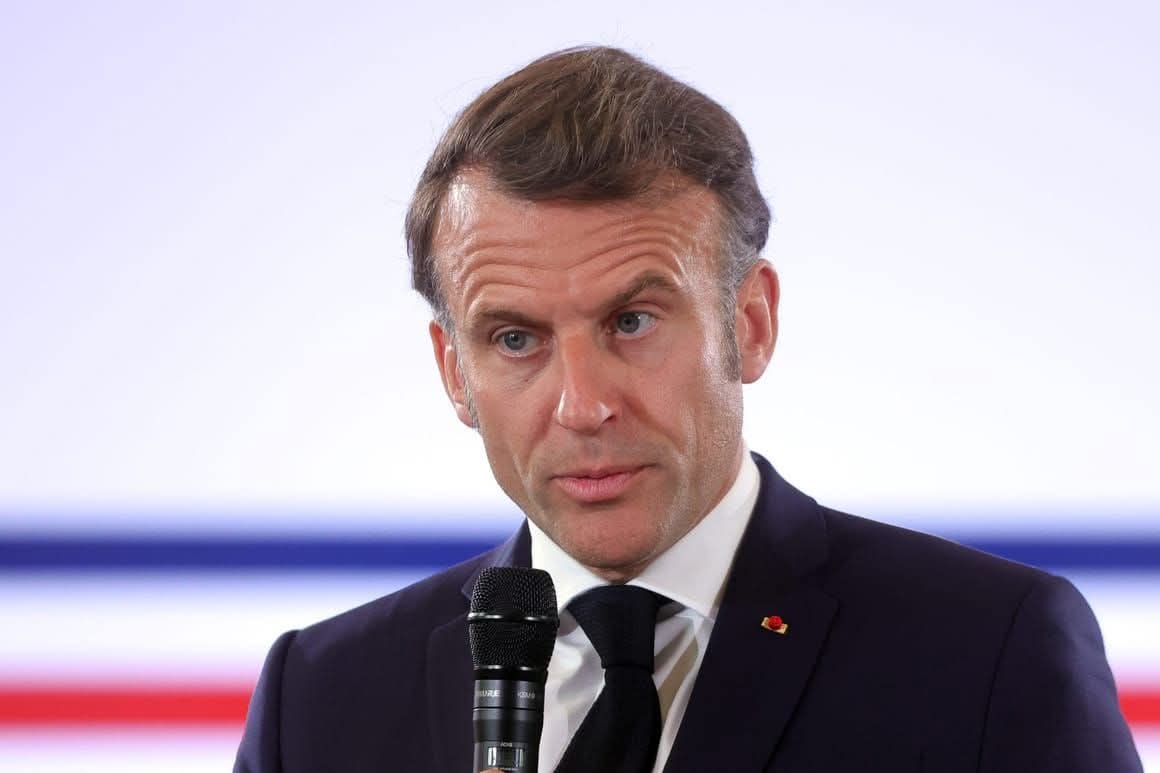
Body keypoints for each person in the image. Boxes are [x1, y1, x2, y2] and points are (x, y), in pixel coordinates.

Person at [234, 46, 1141, 772]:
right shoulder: (318, 699)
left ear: (751, 323)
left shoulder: (989, 652)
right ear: (453, 371)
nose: (583, 405)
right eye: (515, 338)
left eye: (632, 321)